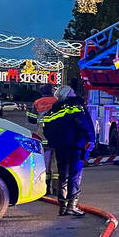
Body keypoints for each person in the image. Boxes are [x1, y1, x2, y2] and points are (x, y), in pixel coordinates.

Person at [42, 85, 95, 216]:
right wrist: (90, 138)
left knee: (63, 176)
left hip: (61, 147)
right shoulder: (75, 105)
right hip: (76, 145)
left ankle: (62, 206)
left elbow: (46, 128)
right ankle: (72, 206)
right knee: (75, 176)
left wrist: (56, 141)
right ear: (69, 93)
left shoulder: (53, 110)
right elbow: (82, 122)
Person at [28, 85, 58, 195]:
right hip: (58, 136)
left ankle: (44, 189)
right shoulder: (58, 101)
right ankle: (56, 189)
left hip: (42, 135)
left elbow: (31, 119)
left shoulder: (37, 102)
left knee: (44, 164)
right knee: (56, 164)